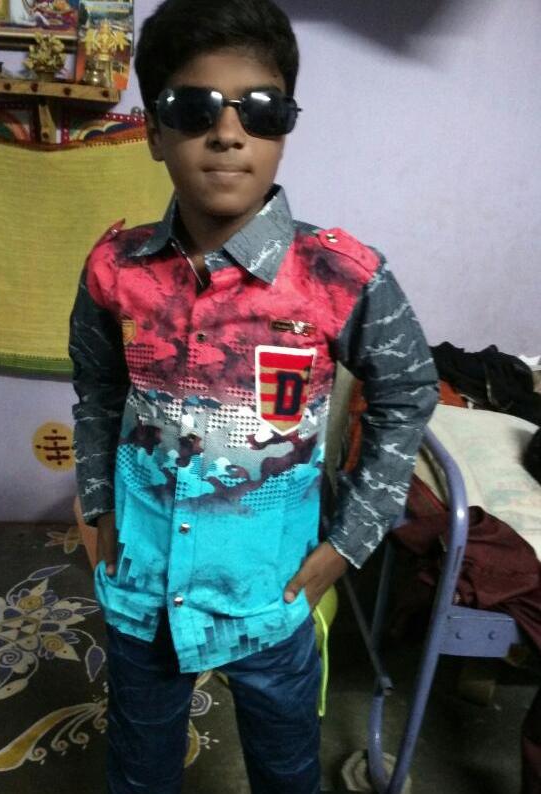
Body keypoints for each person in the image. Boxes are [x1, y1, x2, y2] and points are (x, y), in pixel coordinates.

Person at [68, 1, 439, 791]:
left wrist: (350, 542)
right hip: (144, 589)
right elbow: (97, 388)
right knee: (139, 771)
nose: (228, 133)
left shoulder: (341, 276)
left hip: (270, 593)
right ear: (153, 131)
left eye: (260, 109)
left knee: (285, 771)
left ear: (285, 127)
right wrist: (97, 505)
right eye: (195, 108)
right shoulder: (114, 270)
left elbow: (407, 390)